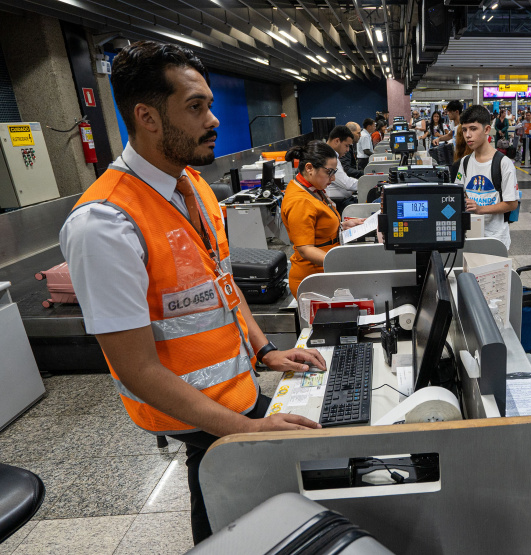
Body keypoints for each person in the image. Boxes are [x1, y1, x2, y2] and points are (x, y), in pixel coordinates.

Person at [59, 41, 327, 545]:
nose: (214, 119)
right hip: (199, 415)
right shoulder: (105, 224)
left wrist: (265, 350)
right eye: (195, 107)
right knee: (230, 524)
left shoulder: (196, 188)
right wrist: (242, 432)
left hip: (237, 394)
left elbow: (224, 287)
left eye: (209, 104)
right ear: (148, 117)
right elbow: (136, 369)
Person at [282, 141, 365, 296]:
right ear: (309, 168)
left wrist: (342, 226)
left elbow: (317, 226)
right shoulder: (300, 200)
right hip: (313, 280)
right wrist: (342, 264)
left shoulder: (312, 189)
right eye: (329, 172)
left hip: (324, 271)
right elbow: (305, 249)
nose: (332, 179)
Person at [454, 105, 519, 250]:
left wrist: (480, 209)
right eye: (464, 130)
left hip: (495, 239)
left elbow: (512, 203)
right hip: (470, 234)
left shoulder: (503, 163)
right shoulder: (465, 162)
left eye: (473, 128)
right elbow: (459, 191)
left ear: (487, 130)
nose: (468, 135)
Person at [324, 125, 360, 211]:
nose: (348, 150)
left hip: (342, 201)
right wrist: (367, 183)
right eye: (346, 145)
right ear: (337, 141)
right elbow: (346, 183)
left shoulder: (333, 155)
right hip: (339, 203)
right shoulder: (327, 157)